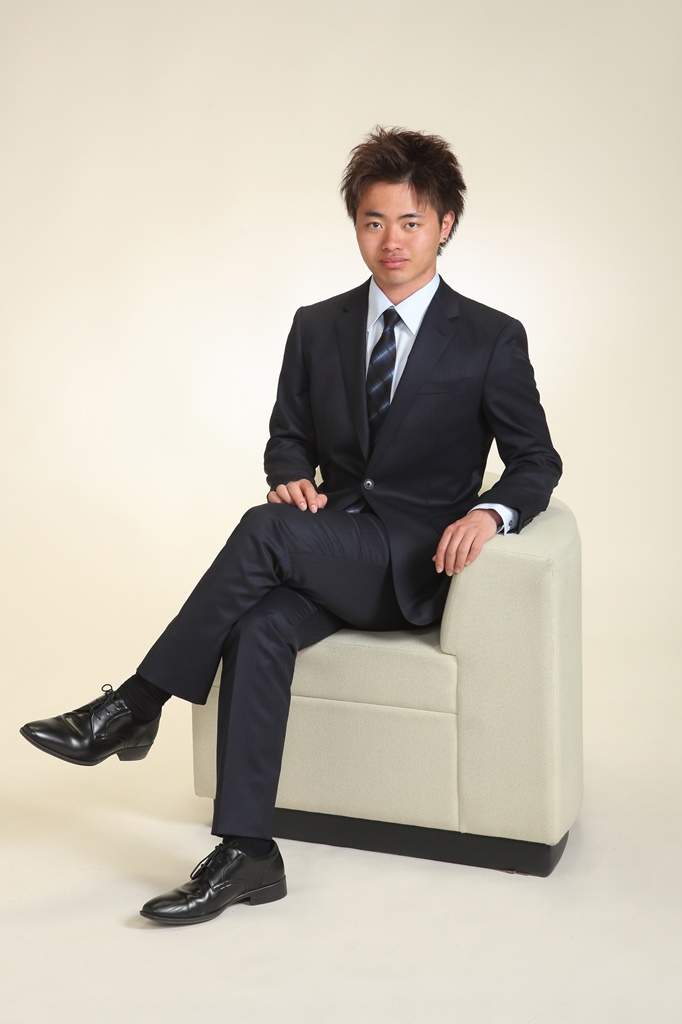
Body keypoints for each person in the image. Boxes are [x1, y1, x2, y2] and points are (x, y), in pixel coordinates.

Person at [20, 126, 562, 926]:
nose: (391, 241)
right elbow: (288, 435)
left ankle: (136, 703)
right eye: (373, 221)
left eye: (411, 222)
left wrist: (491, 511)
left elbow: (536, 461)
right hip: (330, 544)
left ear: (445, 224)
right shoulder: (317, 325)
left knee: (263, 532)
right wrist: (288, 473)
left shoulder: (489, 337)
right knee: (258, 628)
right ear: (356, 226)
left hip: (409, 565)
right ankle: (247, 852)